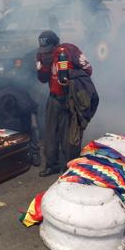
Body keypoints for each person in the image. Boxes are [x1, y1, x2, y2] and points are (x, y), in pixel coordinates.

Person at [36, 30, 93, 177]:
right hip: (53, 98)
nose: (47, 52)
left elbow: (88, 70)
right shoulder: (42, 54)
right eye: (43, 49)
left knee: (69, 136)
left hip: (70, 99)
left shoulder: (69, 50)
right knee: (50, 134)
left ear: (56, 43)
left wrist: (70, 74)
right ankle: (51, 165)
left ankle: (70, 168)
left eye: (49, 48)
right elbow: (42, 79)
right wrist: (43, 64)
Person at [0, 87, 42, 166]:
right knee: (0, 128)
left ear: (15, 109)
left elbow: (26, 129)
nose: (8, 116)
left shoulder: (24, 106)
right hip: (8, 98)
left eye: (10, 113)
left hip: (31, 109)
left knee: (34, 128)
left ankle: (34, 153)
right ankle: (7, 152)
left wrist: (24, 141)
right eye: (6, 113)